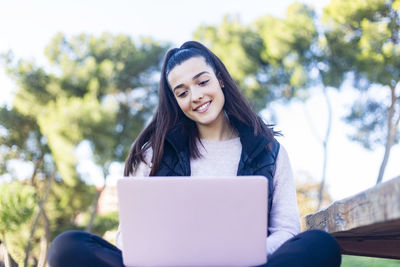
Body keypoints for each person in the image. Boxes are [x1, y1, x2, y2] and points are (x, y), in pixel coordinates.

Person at [48, 41, 342, 267]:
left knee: (320, 244)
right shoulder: (156, 153)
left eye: (202, 82)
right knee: (67, 246)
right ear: (176, 101)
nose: (196, 96)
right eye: (182, 92)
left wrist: (241, 255)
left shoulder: (268, 151)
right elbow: (128, 238)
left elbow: (286, 229)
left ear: (220, 80)